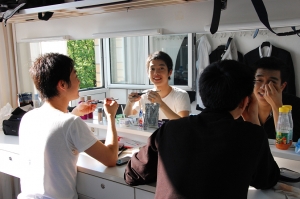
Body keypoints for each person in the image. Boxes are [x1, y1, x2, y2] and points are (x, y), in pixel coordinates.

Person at [124, 60, 279, 199]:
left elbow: (131, 175)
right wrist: (253, 121)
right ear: (246, 101)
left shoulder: (170, 129)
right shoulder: (250, 136)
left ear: (204, 94)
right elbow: (266, 180)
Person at [18, 53, 119, 199]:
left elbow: (56, 130)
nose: (79, 81)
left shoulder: (28, 117)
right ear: (62, 85)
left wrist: (75, 113)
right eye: (75, 75)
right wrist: (111, 116)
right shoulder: (70, 123)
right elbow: (110, 158)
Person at [124, 51, 191, 120]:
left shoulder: (181, 95)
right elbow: (126, 119)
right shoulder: (144, 96)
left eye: (161, 68)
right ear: (148, 73)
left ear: (170, 72)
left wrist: (161, 104)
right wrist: (130, 103)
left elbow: (183, 125)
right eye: (152, 69)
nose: (156, 73)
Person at [251, 57, 300, 142]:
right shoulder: (243, 104)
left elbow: (289, 143)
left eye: (272, 82)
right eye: (259, 80)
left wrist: (277, 106)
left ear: (282, 86)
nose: (263, 87)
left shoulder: (296, 105)